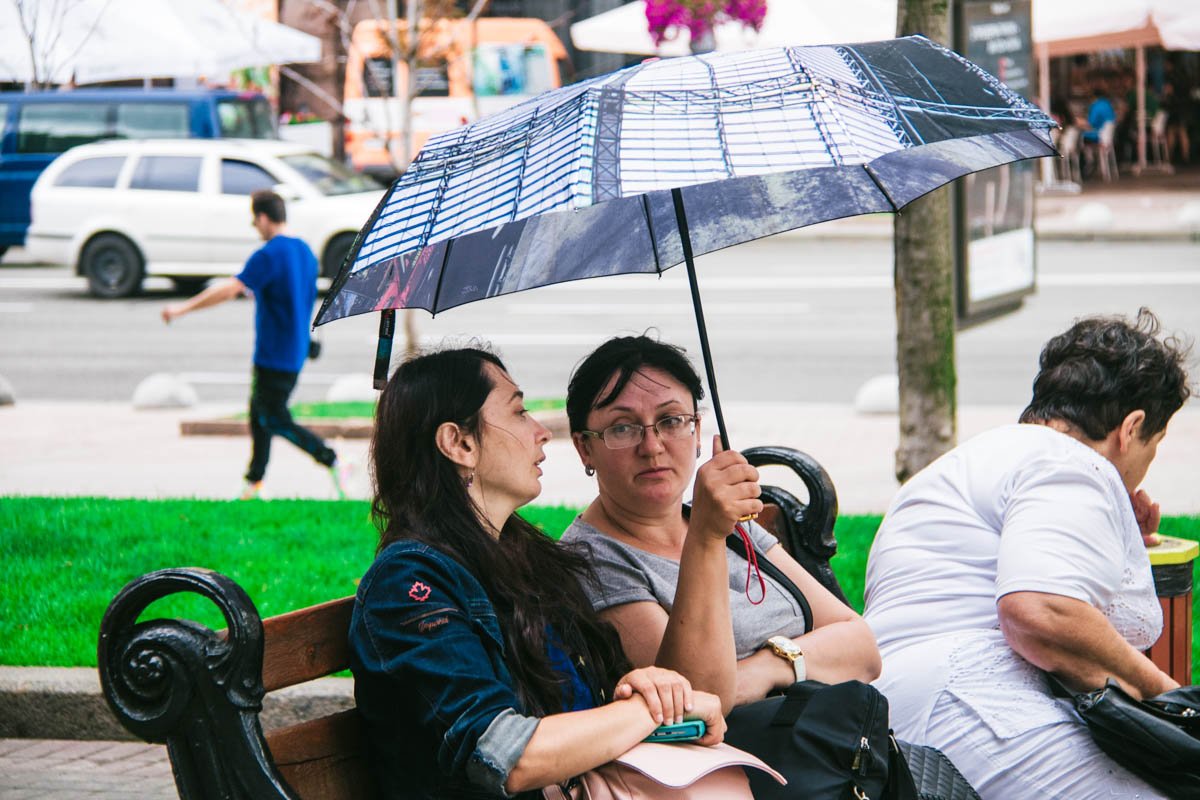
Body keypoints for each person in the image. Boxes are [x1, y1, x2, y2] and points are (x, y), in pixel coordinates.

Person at [348, 347, 728, 799]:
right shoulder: (409, 583)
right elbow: (503, 754)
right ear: (460, 443)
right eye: (519, 412)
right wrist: (649, 710)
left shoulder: (522, 557)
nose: (542, 433)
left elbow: (578, 704)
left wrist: (636, 686)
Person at [863, 310, 1191, 799]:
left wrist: (1116, 549)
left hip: (892, 715)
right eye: (1154, 445)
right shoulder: (1073, 464)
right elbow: (1040, 614)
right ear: (1131, 428)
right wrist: (1170, 701)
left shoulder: (968, 462)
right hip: (974, 705)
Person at [560, 335, 880, 711]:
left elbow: (862, 648)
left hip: (829, 744)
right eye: (622, 428)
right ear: (584, 447)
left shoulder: (730, 526)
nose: (652, 446)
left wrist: (765, 669)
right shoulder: (589, 559)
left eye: (671, 420)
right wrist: (707, 537)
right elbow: (695, 700)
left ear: (696, 431)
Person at [162, 190, 343, 500]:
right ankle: (254, 483)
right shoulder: (305, 252)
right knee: (257, 414)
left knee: (273, 417)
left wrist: (182, 309)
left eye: (254, 221)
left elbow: (230, 289)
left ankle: (330, 458)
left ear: (262, 217)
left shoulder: (269, 255)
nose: (255, 228)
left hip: (275, 353)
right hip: (295, 348)